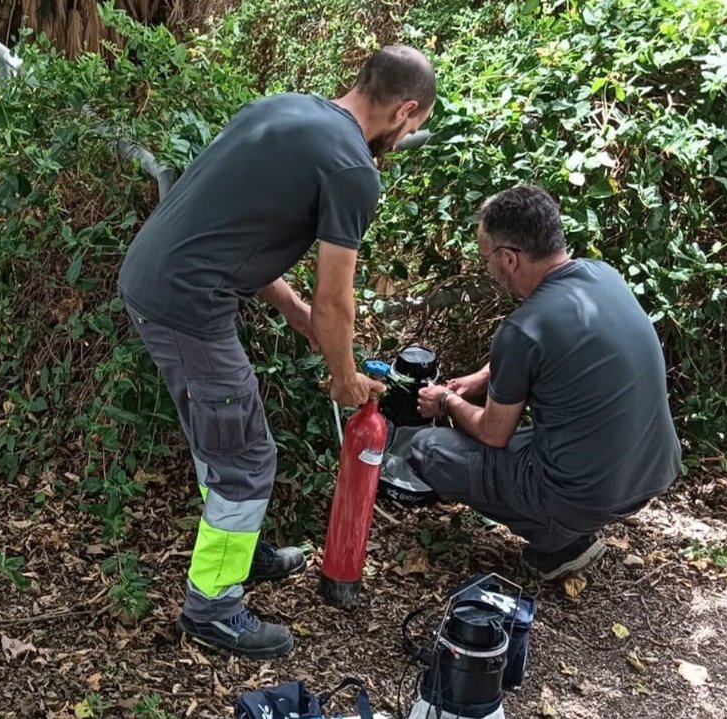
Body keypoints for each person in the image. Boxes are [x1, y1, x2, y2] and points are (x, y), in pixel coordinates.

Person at [117, 46, 436, 659]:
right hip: (187, 304)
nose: (408, 136)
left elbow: (240, 224)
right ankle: (213, 607)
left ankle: (238, 550)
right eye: (414, 127)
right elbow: (336, 297)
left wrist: (290, 308)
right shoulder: (352, 169)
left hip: (158, 279)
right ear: (405, 110)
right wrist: (344, 377)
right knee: (244, 456)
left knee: (224, 438)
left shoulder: (283, 109)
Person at [410, 184, 682, 581]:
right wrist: (485, 377)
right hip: (653, 471)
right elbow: (550, 347)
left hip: (589, 493)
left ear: (509, 259)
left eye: (487, 259)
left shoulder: (521, 329)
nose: (489, 269)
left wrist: (447, 401)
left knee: (428, 449)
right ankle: (574, 519)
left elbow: (492, 433)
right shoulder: (601, 275)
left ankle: (562, 540)